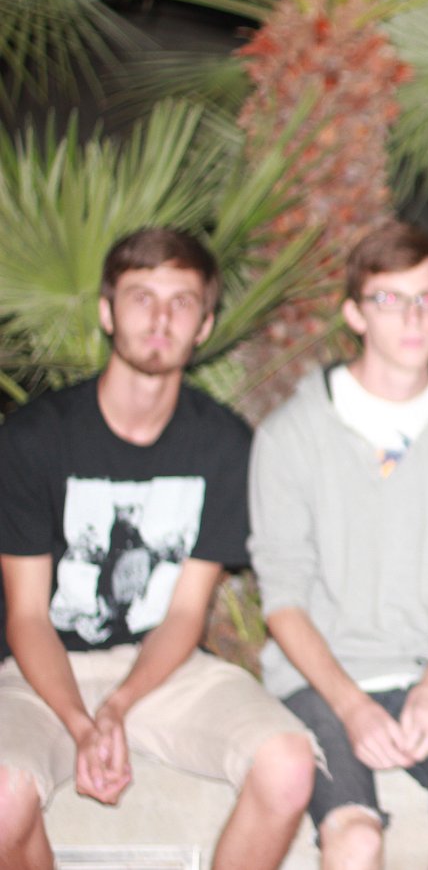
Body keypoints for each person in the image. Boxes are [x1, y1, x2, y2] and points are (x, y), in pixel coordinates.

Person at [0, 227, 316, 869]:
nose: (160, 319)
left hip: (165, 669)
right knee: (4, 797)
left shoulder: (223, 445)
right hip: (42, 671)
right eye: (142, 297)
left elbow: (185, 612)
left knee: (287, 766)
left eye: (182, 302)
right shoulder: (34, 438)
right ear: (107, 311)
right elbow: (28, 617)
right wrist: (82, 722)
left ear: (204, 325)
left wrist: (118, 705)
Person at [249, 220, 428, 869]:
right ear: (355, 314)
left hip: (426, 668)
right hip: (321, 679)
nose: (413, 318)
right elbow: (283, 597)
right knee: (356, 839)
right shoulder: (292, 434)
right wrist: (351, 706)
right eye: (390, 300)